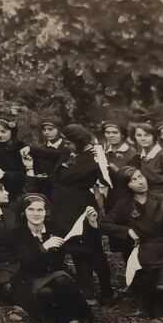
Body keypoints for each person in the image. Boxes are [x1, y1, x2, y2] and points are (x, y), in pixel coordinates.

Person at [100, 166, 163, 319]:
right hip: (145, 252)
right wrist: (127, 231)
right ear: (127, 185)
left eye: (140, 177)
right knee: (152, 293)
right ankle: (156, 310)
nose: (140, 182)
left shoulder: (162, 197)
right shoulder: (124, 204)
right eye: (134, 180)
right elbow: (105, 224)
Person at [47, 124, 114, 303]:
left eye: (69, 141)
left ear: (79, 141)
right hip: (63, 208)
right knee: (73, 249)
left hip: (82, 208)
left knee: (91, 249)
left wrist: (63, 167)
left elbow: (65, 177)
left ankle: (106, 291)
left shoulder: (92, 158)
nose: (65, 144)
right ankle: (87, 290)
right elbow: (55, 175)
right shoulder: (69, 153)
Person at [11, 193, 95, 323]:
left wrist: (91, 223)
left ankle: (81, 319)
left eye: (40, 210)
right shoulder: (17, 233)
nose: (36, 214)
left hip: (56, 276)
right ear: (23, 212)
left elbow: (82, 245)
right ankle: (68, 320)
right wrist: (44, 247)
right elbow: (26, 263)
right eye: (31, 209)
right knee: (46, 292)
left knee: (60, 281)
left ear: (46, 212)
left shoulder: (55, 229)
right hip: (29, 280)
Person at [130, 121, 163, 202]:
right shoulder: (139, 157)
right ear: (134, 137)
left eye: (147, 135)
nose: (143, 138)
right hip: (146, 197)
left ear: (154, 137)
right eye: (139, 135)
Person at [0, 115, 27, 200]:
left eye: (3, 132)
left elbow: (24, 174)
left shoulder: (20, 148)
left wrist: (5, 174)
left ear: (12, 132)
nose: (0, 135)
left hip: (17, 192)